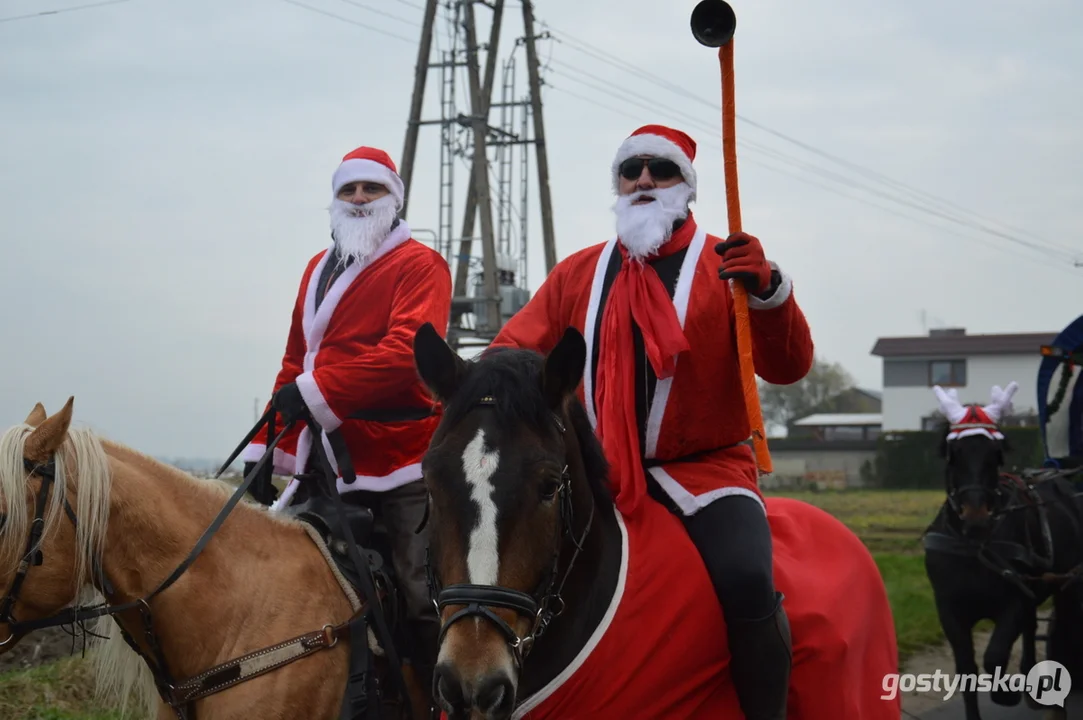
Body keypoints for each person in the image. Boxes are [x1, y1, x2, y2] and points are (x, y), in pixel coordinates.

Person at [487, 124, 814, 719]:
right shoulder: (577, 274)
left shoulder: (730, 269)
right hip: (592, 471)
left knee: (744, 578)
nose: (643, 179)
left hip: (705, 473)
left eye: (660, 170)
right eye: (630, 169)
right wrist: (468, 388)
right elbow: (513, 354)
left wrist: (769, 290)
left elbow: (790, 368)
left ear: (685, 188)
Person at [239, 145, 452, 706]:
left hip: (400, 457)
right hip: (322, 456)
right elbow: (296, 359)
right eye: (348, 190)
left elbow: (408, 350)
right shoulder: (318, 266)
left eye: (371, 189)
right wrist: (267, 448)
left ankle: (444, 703)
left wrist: (315, 393)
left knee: (420, 589)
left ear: (394, 198)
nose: (358, 199)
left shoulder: (421, 265)